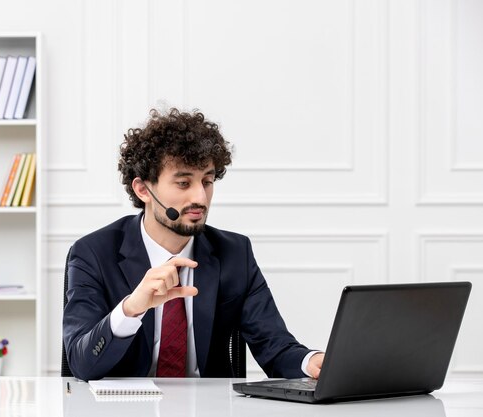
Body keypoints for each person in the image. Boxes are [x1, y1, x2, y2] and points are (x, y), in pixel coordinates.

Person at [63, 108, 324, 381]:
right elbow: (82, 363)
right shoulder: (93, 253)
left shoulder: (235, 253)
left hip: (210, 408)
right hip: (124, 408)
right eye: (184, 183)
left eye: (207, 181)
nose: (200, 196)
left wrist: (313, 361)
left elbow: (275, 346)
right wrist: (131, 308)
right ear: (143, 190)